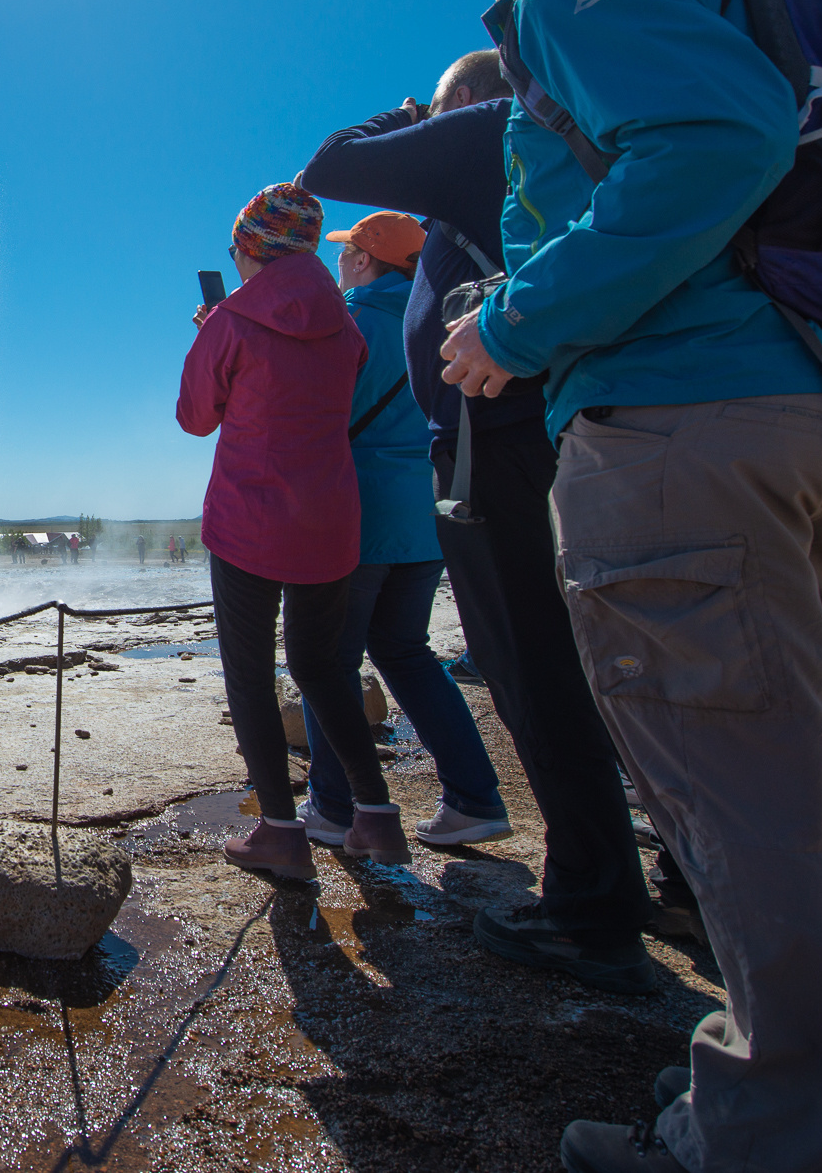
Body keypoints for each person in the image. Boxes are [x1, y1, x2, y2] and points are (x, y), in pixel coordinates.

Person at [446, 0, 822, 1173]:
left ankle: (781, 1135)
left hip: (679, 438)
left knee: (733, 811)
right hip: (806, 426)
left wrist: (504, 326)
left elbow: (713, 148)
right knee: (772, 805)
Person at [300, 52, 656, 990]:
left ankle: (594, 898)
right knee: (601, 661)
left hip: (496, 448)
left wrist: (409, 111)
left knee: (532, 662)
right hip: (540, 437)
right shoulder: (561, 157)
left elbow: (330, 164)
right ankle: (658, 877)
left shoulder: (490, 135)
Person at [177, 182, 409, 877]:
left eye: (237, 249)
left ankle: (280, 833)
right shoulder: (346, 324)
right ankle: (377, 817)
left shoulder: (233, 320)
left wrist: (212, 331)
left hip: (249, 520)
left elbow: (196, 417)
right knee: (319, 667)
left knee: (250, 676)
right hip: (331, 519)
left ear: (251, 248)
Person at [298, 212, 511, 848]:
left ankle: (334, 808)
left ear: (364, 261)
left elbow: (304, 416)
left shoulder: (346, 320)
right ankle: (475, 798)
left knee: (327, 663)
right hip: (423, 517)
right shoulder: (437, 322)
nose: (340, 263)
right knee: (405, 653)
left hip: (355, 518)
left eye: (346, 254)